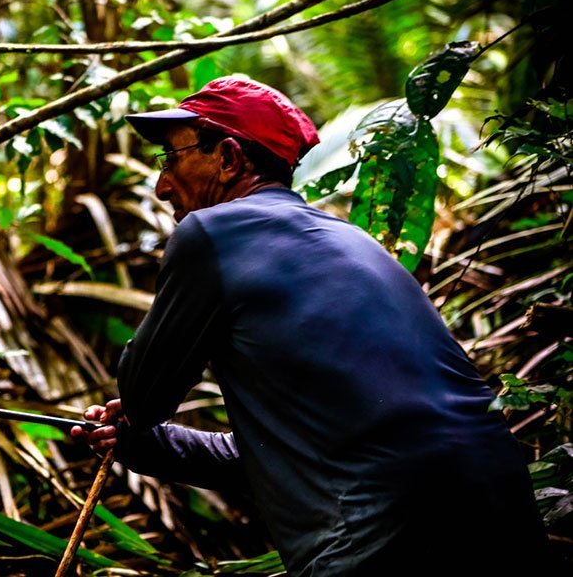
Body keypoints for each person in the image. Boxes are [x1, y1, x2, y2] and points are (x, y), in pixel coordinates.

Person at [70, 76, 555, 576]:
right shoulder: (354, 242)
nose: (162, 185)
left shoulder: (212, 231)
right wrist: (142, 443)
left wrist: (136, 414)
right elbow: (285, 452)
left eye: (171, 160)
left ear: (230, 158)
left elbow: (144, 396)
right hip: (499, 496)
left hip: (380, 528)